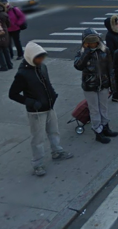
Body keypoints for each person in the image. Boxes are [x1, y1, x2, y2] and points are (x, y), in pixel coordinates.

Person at [9, 42, 73, 176]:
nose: (41, 60)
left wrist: (53, 94)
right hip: (36, 112)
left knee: (54, 132)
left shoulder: (42, 67)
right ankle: (37, 164)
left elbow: (47, 84)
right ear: (31, 57)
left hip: (49, 107)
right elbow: (12, 94)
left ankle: (57, 152)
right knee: (37, 139)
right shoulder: (22, 74)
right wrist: (31, 102)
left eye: (42, 57)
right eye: (38, 57)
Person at [74, 28, 118, 144]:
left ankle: (105, 127)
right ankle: (98, 132)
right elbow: (78, 66)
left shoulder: (105, 50)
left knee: (103, 108)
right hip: (90, 86)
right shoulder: (82, 52)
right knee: (94, 110)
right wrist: (87, 52)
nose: (94, 44)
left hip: (103, 84)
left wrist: (113, 85)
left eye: (95, 41)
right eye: (91, 41)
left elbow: (110, 69)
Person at [104, 15, 118, 103]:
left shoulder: (117, 33)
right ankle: (116, 96)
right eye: (117, 23)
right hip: (116, 61)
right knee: (116, 79)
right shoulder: (109, 36)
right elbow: (111, 51)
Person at [0, 2, 12, 71]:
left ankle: (4, 66)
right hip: (5, 32)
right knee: (5, 49)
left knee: (0, 52)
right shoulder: (4, 14)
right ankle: (9, 64)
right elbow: (8, 24)